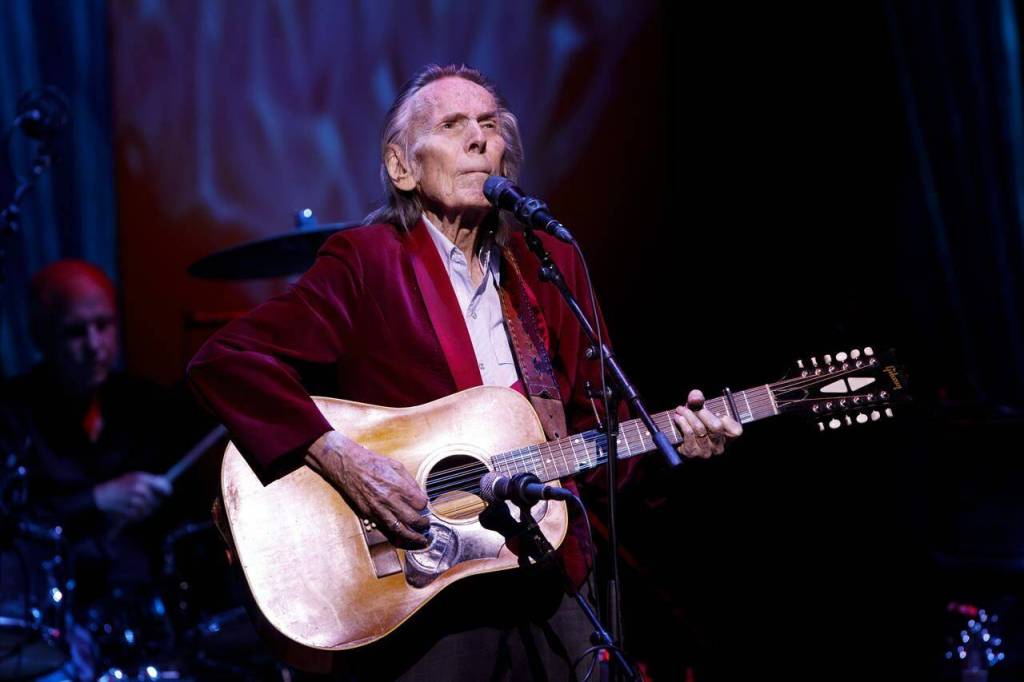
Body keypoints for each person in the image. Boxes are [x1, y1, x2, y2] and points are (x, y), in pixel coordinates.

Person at [187, 64, 742, 680]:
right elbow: (227, 361)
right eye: (452, 125)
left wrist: (674, 444)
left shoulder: (549, 264)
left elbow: (597, 434)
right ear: (402, 167)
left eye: (490, 124)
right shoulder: (368, 262)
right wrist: (342, 457)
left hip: (545, 573)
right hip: (422, 588)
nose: (480, 138)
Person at [0, 260, 176, 677]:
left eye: (104, 325)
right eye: (76, 332)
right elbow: (10, 523)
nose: (94, 345)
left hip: (144, 612)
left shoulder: (145, 403)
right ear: (41, 337)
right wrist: (96, 500)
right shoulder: (13, 414)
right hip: (51, 617)